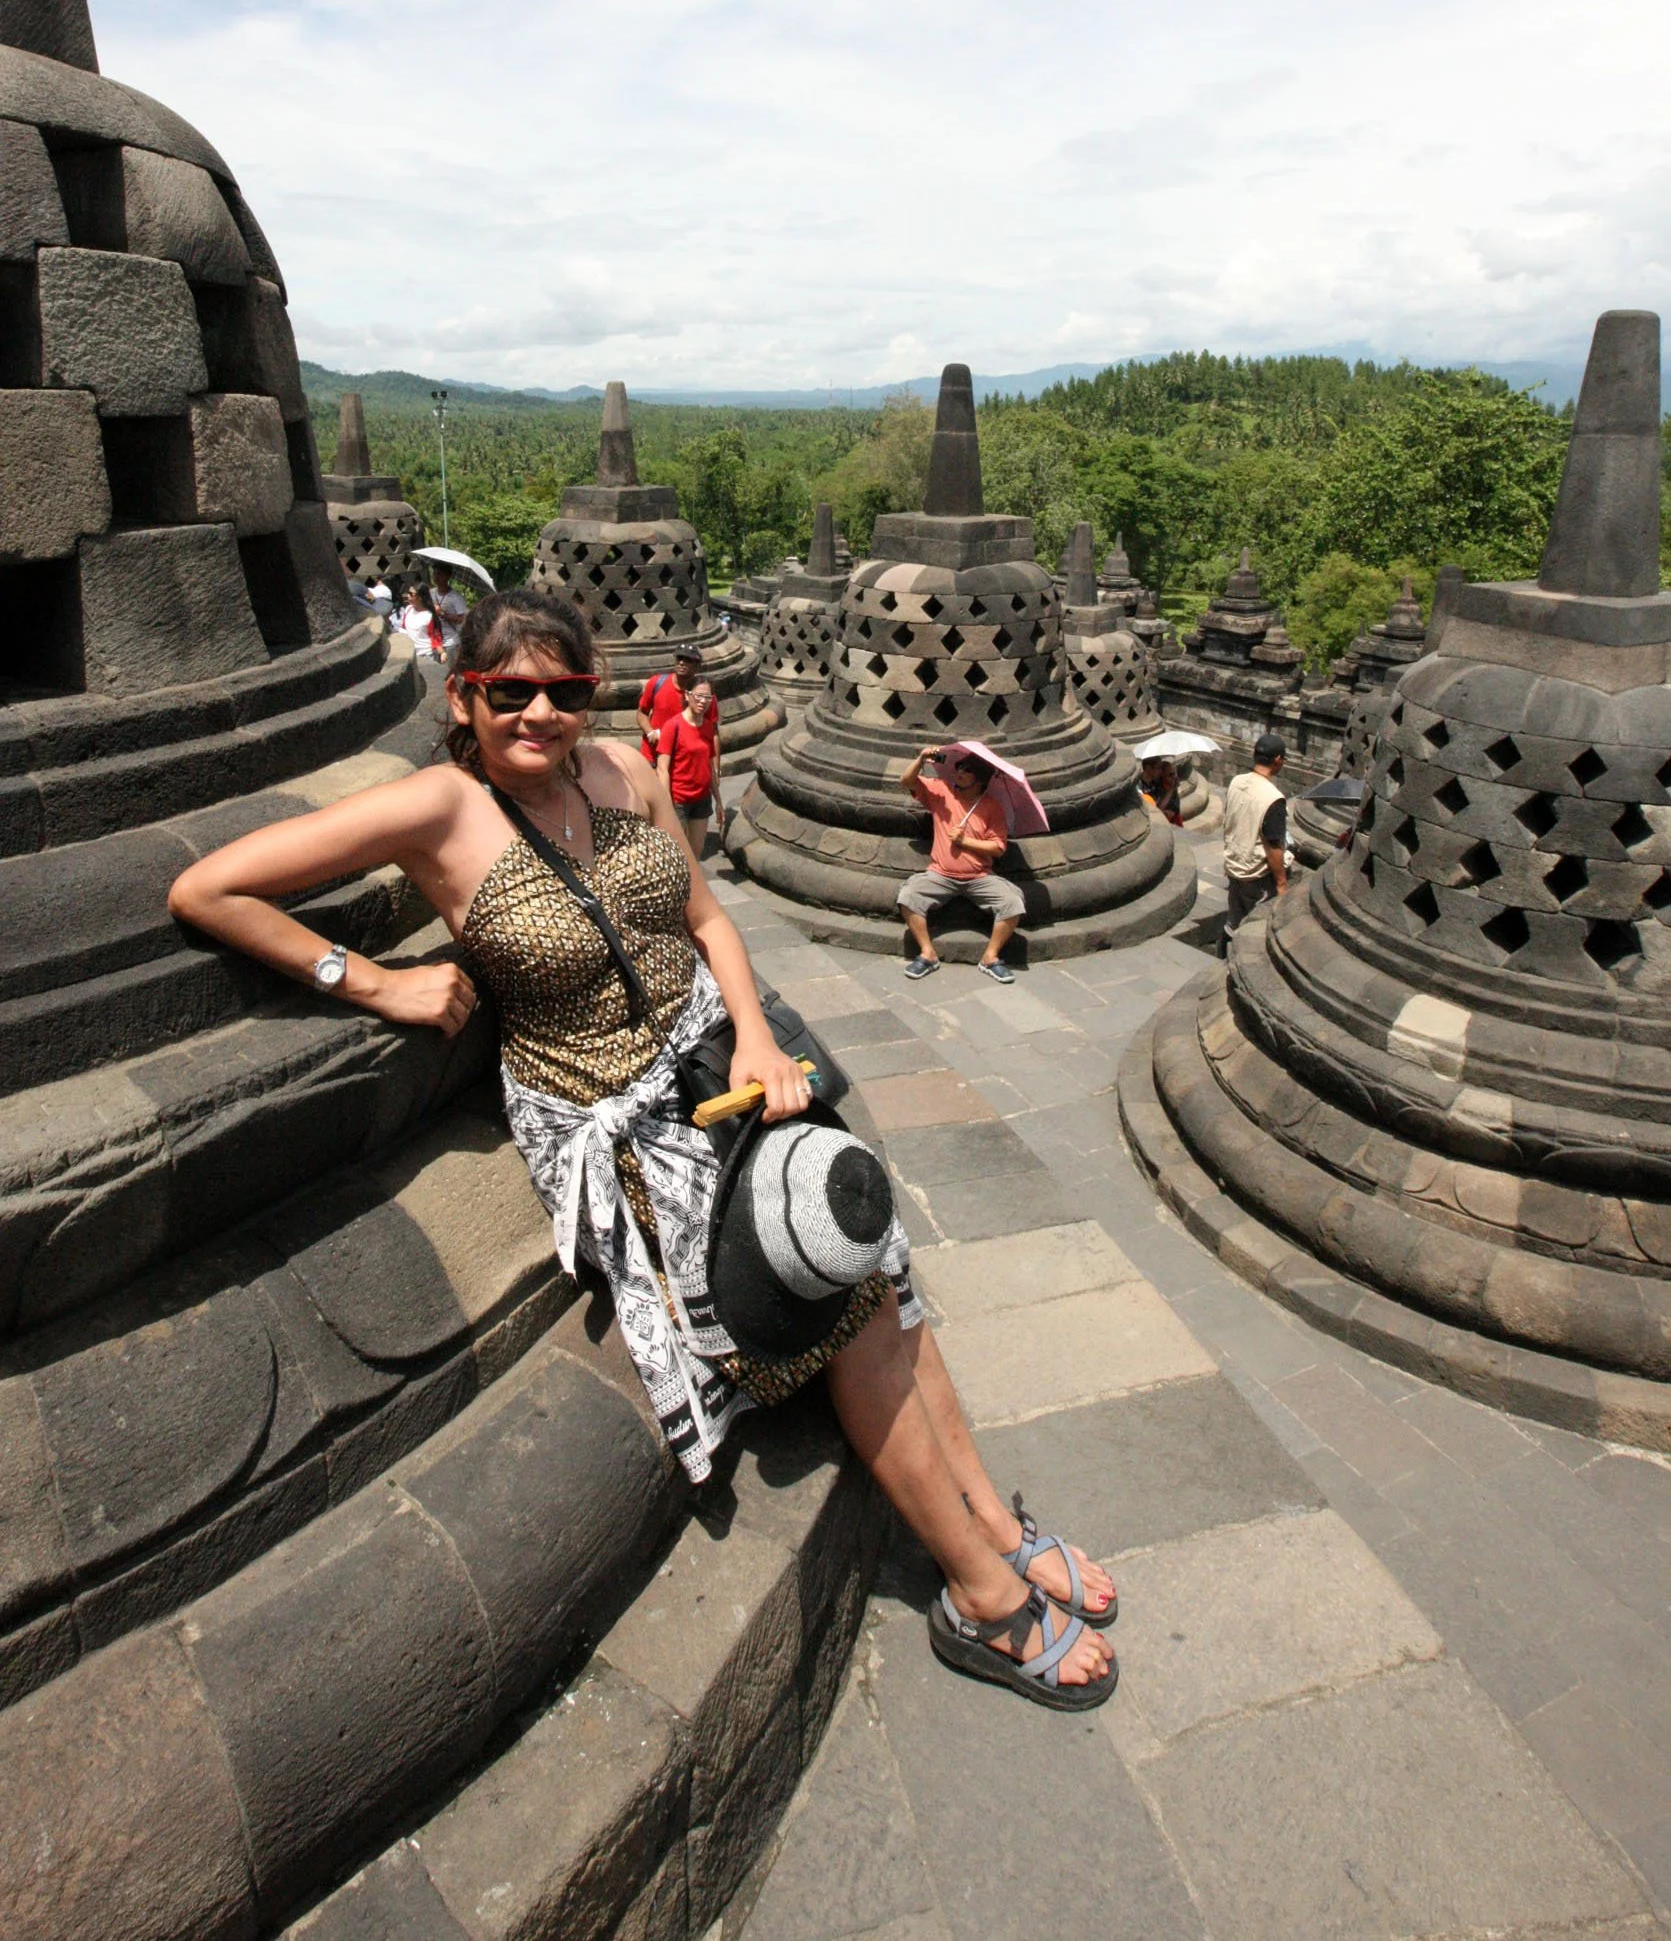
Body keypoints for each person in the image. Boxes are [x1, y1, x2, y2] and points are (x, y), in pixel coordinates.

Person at [165, 589, 1114, 1706]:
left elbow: (707, 918)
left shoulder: (625, 770)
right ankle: (980, 1595)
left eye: (563, 692)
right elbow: (206, 886)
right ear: (464, 698)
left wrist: (756, 1035)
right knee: (838, 1289)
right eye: (508, 693)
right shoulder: (437, 808)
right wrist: (372, 981)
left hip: (716, 1058)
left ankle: (998, 1526)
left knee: (880, 1254)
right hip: (613, 1113)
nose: (539, 716)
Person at [896, 745, 1026, 985]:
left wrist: (965, 841)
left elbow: (998, 848)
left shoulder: (991, 807)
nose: (959, 772)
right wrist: (921, 759)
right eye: (959, 767)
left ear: (980, 780)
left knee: (1012, 903)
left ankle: (990, 957)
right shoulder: (942, 792)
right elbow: (906, 782)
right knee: (908, 896)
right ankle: (927, 953)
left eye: (967, 770)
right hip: (940, 874)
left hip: (979, 876)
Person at [1221, 731, 1289, 952]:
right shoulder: (1273, 798)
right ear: (1277, 760)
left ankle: (1223, 952)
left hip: (1233, 864)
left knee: (1234, 918)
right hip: (1256, 874)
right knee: (1255, 925)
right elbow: (1273, 847)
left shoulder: (1236, 782)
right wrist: (1281, 883)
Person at [656, 677, 719, 858]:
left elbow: (709, 765)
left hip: (702, 799)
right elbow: (662, 768)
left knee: (696, 853)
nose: (702, 701)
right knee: (678, 854)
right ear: (687, 695)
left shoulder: (707, 727)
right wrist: (666, 804)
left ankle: (693, 886)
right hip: (679, 800)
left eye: (708, 697)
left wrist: (719, 801)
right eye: (698, 696)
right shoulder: (672, 726)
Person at [638, 646, 707, 764]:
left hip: (682, 760)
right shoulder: (656, 682)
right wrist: (650, 732)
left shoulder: (704, 696)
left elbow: (712, 731)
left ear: (697, 666)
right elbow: (642, 713)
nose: (681, 663)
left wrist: (714, 769)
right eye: (679, 658)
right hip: (652, 756)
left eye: (687, 660)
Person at [1139, 756, 1183, 826]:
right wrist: (1164, 812)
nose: (1160, 771)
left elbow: (1161, 804)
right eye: (1158, 768)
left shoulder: (1156, 780)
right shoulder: (1139, 787)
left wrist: (1173, 782)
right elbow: (1147, 810)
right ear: (1148, 768)